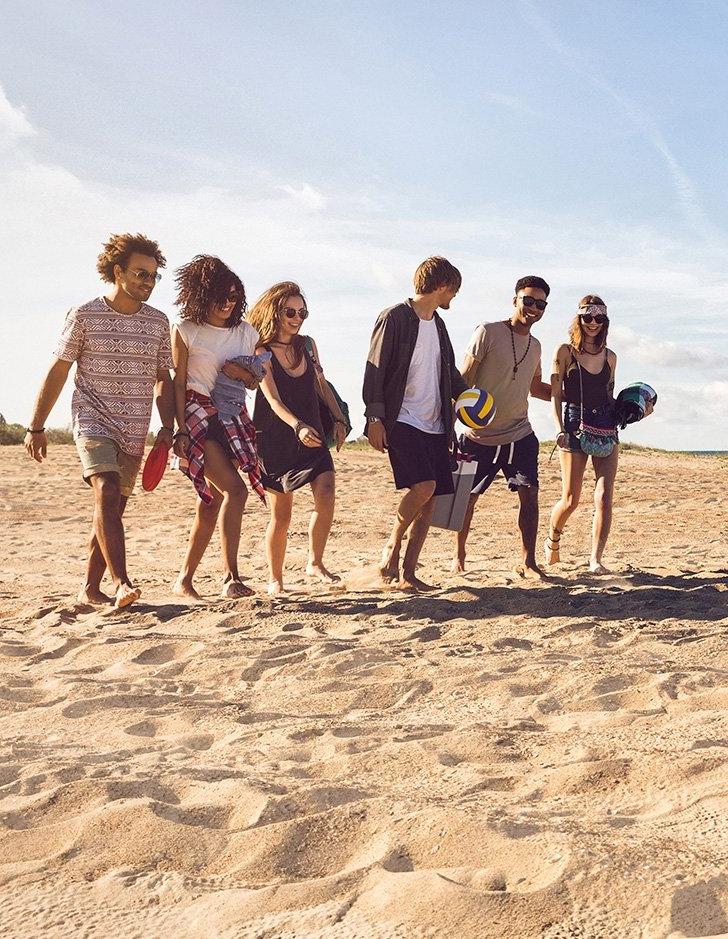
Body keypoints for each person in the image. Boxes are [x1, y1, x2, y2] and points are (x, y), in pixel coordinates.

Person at [24, 233, 173, 608]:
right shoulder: (85, 314)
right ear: (117, 271)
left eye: (154, 276)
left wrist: (169, 428)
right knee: (105, 490)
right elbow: (59, 369)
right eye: (141, 273)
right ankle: (122, 581)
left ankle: (90, 589)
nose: (148, 282)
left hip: (135, 425)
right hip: (92, 417)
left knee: (111, 509)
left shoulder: (158, 322)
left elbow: (163, 379)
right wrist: (36, 426)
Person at [363, 256, 467, 591]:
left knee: (432, 497)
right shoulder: (393, 318)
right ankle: (392, 545)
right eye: (453, 291)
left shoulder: (438, 324)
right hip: (401, 417)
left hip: (436, 421)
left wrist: (472, 398)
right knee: (422, 486)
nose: (453, 298)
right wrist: (374, 417)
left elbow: (449, 372)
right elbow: (375, 369)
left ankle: (408, 573)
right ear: (441, 286)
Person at [171, 255, 266, 600]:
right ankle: (231, 577)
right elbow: (177, 383)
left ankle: (184, 580)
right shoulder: (186, 330)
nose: (227, 303)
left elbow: (254, 380)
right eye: (219, 296)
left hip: (233, 419)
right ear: (200, 295)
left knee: (210, 502)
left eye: (233, 296)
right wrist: (178, 429)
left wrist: (245, 374)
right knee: (235, 491)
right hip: (198, 419)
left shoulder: (246, 333)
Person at [248, 282, 347, 596]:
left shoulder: (308, 345)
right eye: (290, 311)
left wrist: (340, 419)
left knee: (327, 492)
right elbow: (273, 399)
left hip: (314, 435)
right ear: (276, 311)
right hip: (276, 439)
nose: (297, 317)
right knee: (282, 515)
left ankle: (314, 562)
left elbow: (321, 385)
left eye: (302, 312)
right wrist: (297, 426)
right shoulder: (261, 352)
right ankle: (276, 579)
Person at [454, 275, 552, 578]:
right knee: (464, 501)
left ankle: (528, 561)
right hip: (478, 436)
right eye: (528, 300)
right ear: (515, 300)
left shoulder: (535, 346)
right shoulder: (487, 332)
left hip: (520, 433)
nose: (534, 307)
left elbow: (535, 388)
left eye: (541, 303)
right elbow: (464, 378)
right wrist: (451, 418)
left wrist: (574, 397)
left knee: (530, 494)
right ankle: (459, 557)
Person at [546, 295, 619, 574]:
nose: (593, 323)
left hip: (606, 426)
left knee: (603, 495)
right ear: (579, 318)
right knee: (570, 499)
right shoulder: (565, 352)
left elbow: (610, 396)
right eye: (588, 317)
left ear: (605, 322)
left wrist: (637, 410)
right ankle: (553, 539)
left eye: (599, 318)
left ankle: (595, 559)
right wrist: (558, 429)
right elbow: (555, 395)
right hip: (574, 424)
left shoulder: (611, 357)